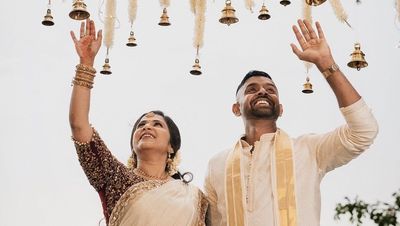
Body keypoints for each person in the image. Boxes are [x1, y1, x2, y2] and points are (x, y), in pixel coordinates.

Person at [204, 19, 379, 226]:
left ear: (280, 108)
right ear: (236, 108)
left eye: (270, 90)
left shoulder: (308, 150)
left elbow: (364, 132)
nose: (262, 91)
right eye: (252, 89)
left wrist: (326, 65)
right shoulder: (217, 164)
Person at [69, 19, 208, 226]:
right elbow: (79, 125)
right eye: (141, 125)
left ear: (172, 146)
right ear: (133, 145)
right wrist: (86, 65)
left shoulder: (194, 198)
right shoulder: (115, 176)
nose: (147, 126)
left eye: (157, 124)